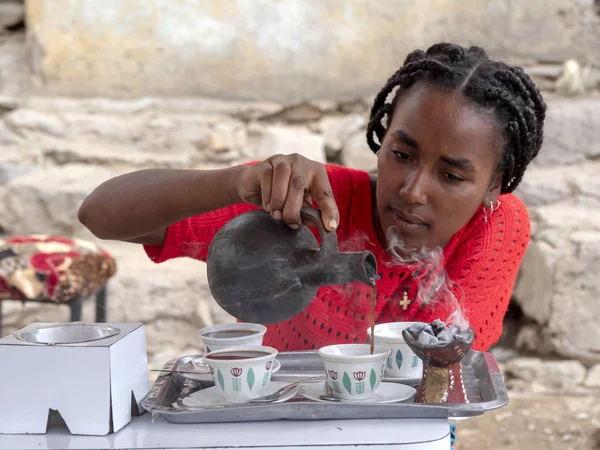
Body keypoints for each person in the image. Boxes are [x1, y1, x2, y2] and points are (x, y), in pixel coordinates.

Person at [79, 41, 545, 355]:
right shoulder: (310, 206)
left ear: (492, 186)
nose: (412, 190)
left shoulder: (495, 226)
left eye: (451, 175)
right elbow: (99, 214)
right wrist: (235, 184)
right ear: (382, 141)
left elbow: (452, 356)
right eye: (401, 154)